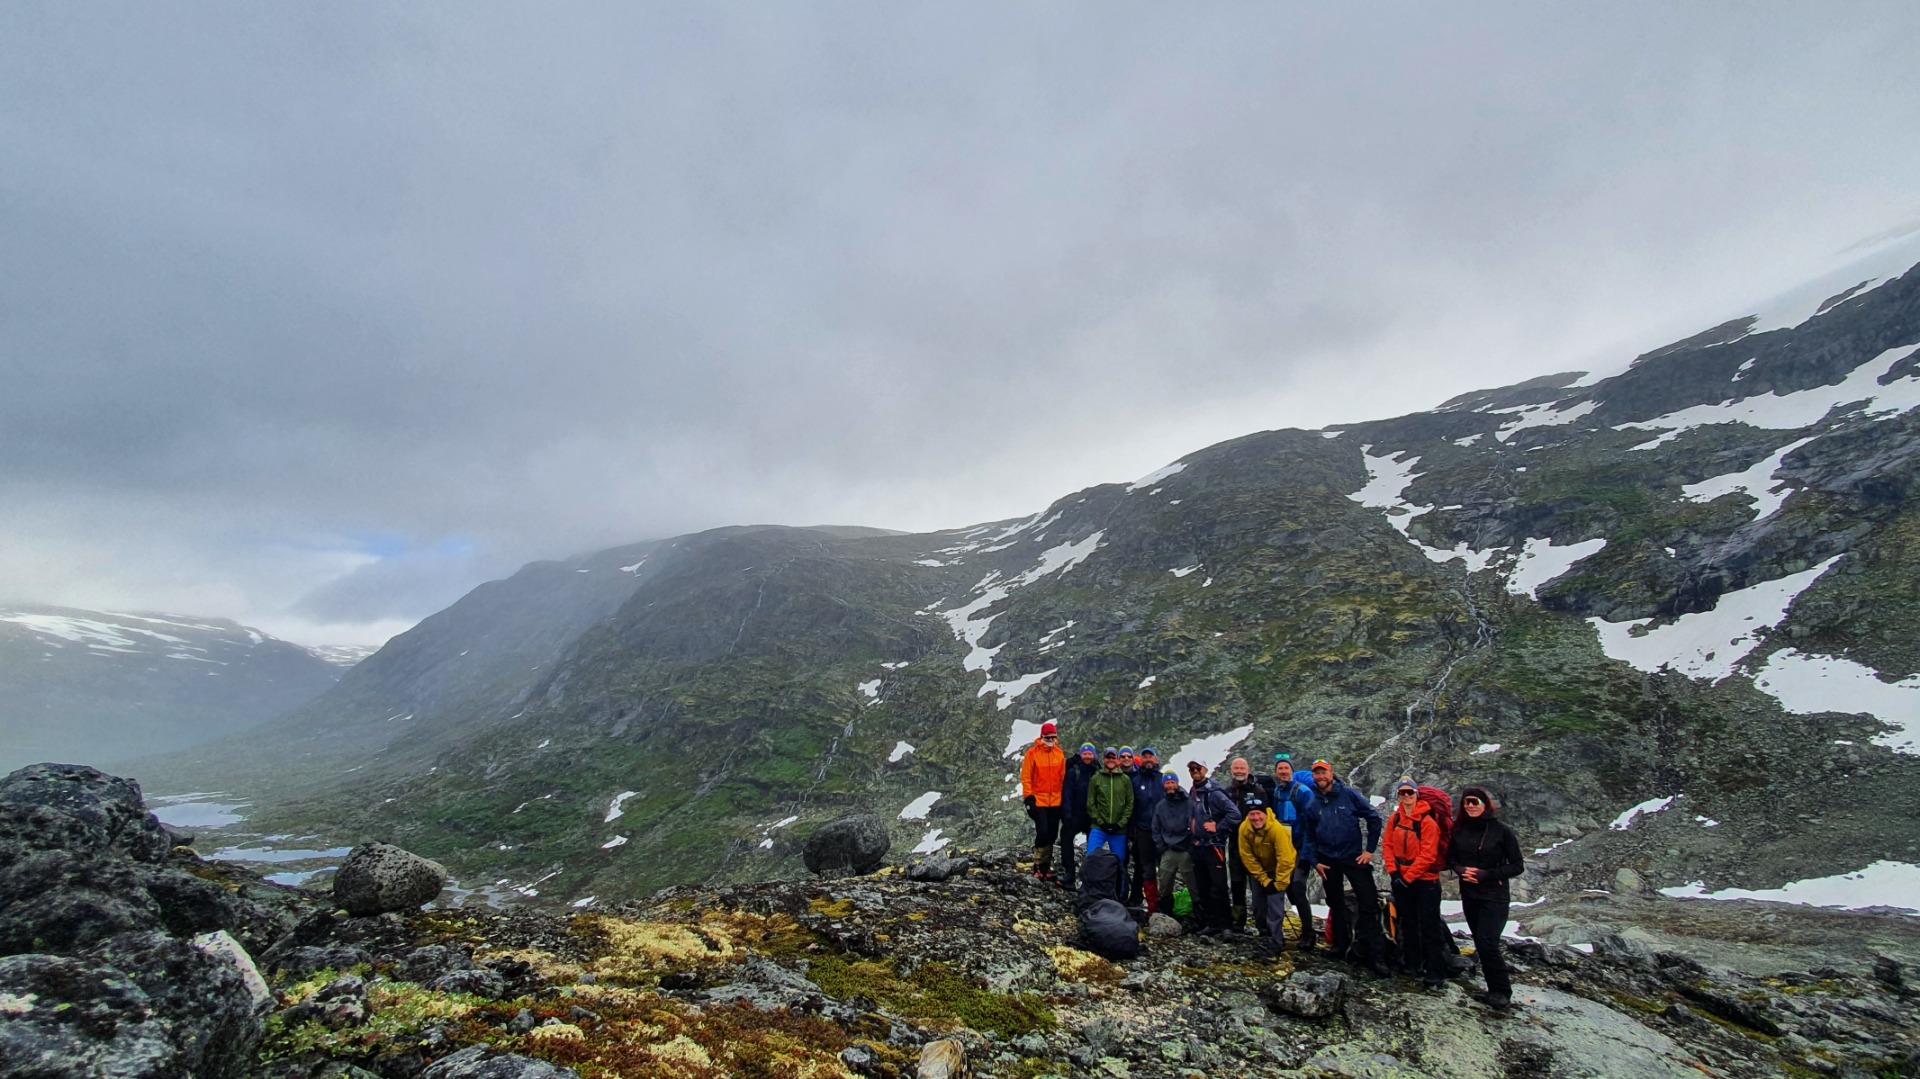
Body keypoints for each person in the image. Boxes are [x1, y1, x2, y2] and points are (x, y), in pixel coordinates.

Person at [1303, 759, 1389, 974]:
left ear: (1331, 773)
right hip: (1327, 860)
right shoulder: (1312, 801)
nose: (1320, 777)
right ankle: (1340, 945)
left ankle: (1376, 955)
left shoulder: (1348, 794)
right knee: (1335, 902)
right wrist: (1314, 861)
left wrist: (1369, 850)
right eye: (1316, 774)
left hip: (1353, 857)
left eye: (1323, 773)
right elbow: (1309, 834)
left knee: (1368, 903)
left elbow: (1373, 818)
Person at [1450, 785, 1525, 1010]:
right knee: (1480, 942)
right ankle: (1493, 990)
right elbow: (1451, 858)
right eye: (1467, 802)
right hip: (1470, 893)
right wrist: (1461, 870)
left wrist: (1487, 875)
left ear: (1485, 805)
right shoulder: (1458, 829)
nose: (1471, 806)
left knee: (1488, 942)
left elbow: (1517, 865)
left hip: (1495, 895)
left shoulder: (1502, 831)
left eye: (1476, 802)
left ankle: (1502, 992)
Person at [1383, 777, 1447, 988]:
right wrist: (1394, 873)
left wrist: (1407, 878)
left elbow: (1429, 854)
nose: (1406, 796)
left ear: (1416, 794)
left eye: (1410, 792)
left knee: (1430, 925)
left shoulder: (1427, 821)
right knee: (1409, 922)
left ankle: (1435, 971)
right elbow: (1388, 845)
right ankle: (1412, 964)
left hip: (1425, 881)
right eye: (1402, 793)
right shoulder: (1395, 818)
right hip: (1401, 878)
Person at [1186, 760, 1242, 936]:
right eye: (1192, 769)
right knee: (1203, 886)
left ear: (1205, 769)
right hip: (1197, 846)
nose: (1195, 771)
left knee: (1218, 887)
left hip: (1213, 846)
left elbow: (1235, 815)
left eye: (1198, 768)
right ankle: (1212, 923)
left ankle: (1226, 926)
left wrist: (1218, 826)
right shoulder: (1192, 791)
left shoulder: (1215, 793)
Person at [1235, 797, 1297, 954]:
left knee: (1275, 908)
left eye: (1258, 814)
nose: (1255, 818)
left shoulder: (1277, 829)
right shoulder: (1244, 829)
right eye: (1252, 814)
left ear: (1265, 814)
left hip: (1278, 870)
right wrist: (1263, 879)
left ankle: (1276, 941)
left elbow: (1286, 859)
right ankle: (1264, 935)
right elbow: (1247, 856)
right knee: (1258, 906)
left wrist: (1278, 884)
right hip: (1260, 871)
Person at [1224, 757, 1277, 935]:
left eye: (1242, 768)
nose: (1239, 771)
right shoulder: (1227, 792)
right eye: (1236, 768)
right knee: (1237, 884)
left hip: (1256, 847)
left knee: (1257, 886)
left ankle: (1263, 924)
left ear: (1248, 770)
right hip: (1234, 846)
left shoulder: (1259, 791)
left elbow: (1267, 817)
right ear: (1231, 770)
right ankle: (1238, 922)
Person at [1270, 754, 1318, 949]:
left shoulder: (1303, 791)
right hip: (1285, 848)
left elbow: (1312, 823)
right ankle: (1303, 930)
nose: (1283, 771)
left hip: (1301, 847)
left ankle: (1309, 934)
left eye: (1286, 768)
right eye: (1280, 769)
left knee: (1297, 886)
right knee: (1289, 888)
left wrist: (1307, 854)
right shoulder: (1277, 792)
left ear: (1292, 770)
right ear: (1276, 772)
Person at [1019, 721, 1066, 880]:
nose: (1051, 739)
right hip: (1038, 801)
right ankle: (1037, 864)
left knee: (1052, 834)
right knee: (1043, 832)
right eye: (1048, 736)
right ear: (1042, 736)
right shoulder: (1032, 754)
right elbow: (1026, 777)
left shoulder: (1059, 754)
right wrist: (1028, 798)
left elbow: (1062, 778)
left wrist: (1064, 798)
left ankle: (1046, 867)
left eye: (1054, 737)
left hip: (1055, 802)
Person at [1151, 771, 1196, 918]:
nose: (1170, 785)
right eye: (1167, 783)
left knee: (1193, 885)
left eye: (1172, 782)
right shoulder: (1161, 806)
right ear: (1163, 785)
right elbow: (1156, 828)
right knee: (1164, 884)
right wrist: (1161, 846)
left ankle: (1199, 917)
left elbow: (1195, 824)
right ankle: (1166, 915)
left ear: (1177, 783)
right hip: (1168, 850)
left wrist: (1190, 847)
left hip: (1185, 851)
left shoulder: (1189, 802)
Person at [1085, 748, 1135, 877]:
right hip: (1098, 828)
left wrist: (1120, 824)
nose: (1111, 760)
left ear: (1117, 760)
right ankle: (1088, 890)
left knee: (1119, 863)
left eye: (1113, 758)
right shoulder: (1096, 778)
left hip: (1119, 830)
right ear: (1103, 759)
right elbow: (1091, 803)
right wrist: (1101, 823)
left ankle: (1120, 894)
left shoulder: (1125, 780)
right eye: (1108, 757)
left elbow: (1129, 804)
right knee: (1091, 858)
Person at [1126, 745, 1164, 908]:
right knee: (1143, 867)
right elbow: (1131, 806)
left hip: (1161, 832)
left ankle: (1164, 902)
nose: (1148, 759)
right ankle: (1140, 900)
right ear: (1141, 760)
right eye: (1145, 757)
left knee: (1164, 869)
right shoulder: (1135, 780)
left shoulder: (1162, 780)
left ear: (1156, 759)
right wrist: (1131, 831)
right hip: (1142, 831)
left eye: (1151, 756)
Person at [1058, 743, 1099, 888]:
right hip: (1075, 814)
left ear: (1094, 755)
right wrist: (1067, 813)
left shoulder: (1098, 771)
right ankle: (1069, 873)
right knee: (1065, 837)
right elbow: (1067, 793)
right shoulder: (1073, 771)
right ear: (1081, 755)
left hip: (1092, 816)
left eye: (1090, 754)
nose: (1087, 756)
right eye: (1085, 754)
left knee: (1093, 845)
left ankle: (1090, 876)